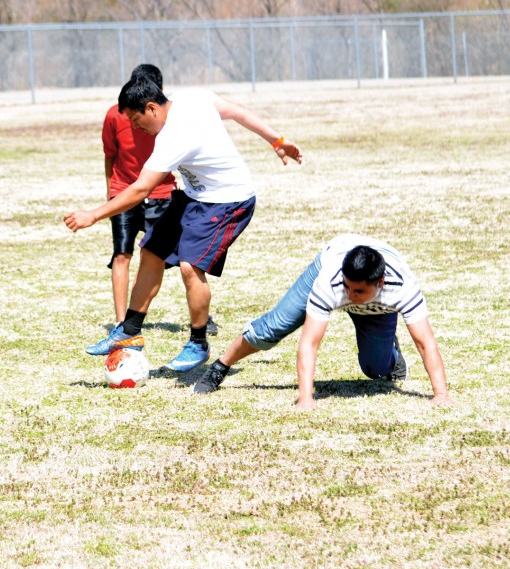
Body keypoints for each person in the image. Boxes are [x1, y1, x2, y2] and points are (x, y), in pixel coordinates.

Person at [65, 75, 301, 372]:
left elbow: (140, 190)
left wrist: (93, 214)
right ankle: (129, 332)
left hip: (228, 200)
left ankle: (198, 342)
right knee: (151, 249)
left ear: (151, 108)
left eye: (137, 121)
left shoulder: (173, 137)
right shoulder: (191, 96)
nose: (137, 128)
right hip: (194, 195)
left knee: (191, 266)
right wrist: (276, 140)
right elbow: (237, 110)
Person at [192, 234, 452, 409]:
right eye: (348, 288)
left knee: (377, 370)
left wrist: (440, 395)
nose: (350, 296)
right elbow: (310, 342)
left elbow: (425, 343)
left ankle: (391, 351)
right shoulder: (331, 280)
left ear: (380, 282)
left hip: (379, 306)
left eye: (358, 291)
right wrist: (306, 398)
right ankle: (220, 366)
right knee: (275, 326)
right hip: (334, 260)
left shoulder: (402, 286)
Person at [88, 64, 215, 353]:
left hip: (161, 193)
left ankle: (201, 319)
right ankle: (124, 325)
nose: (135, 124)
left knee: (186, 259)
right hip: (124, 194)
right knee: (122, 255)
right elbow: (110, 155)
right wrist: (110, 192)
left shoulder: (170, 122)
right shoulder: (115, 115)